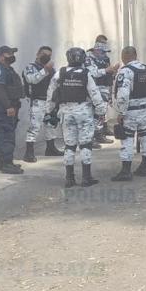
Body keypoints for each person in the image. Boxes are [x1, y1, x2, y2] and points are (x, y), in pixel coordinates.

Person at [46, 47, 105, 188]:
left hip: (66, 112)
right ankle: (86, 177)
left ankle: (69, 178)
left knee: (69, 146)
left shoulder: (60, 73)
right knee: (85, 144)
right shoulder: (86, 74)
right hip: (83, 111)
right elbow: (95, 94)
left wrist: (48, 111)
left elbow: (51, 94)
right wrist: (101, 111)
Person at [111, 46, 146, 181]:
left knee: (127, 139)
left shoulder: (125, 72)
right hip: (145, 110)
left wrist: (121, 112)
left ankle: (126, 171)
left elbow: (123, 95)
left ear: (123, 56)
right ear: (136, 55)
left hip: (130, 112)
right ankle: (145, 166)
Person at [0, 45, 24, 174]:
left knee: (3, 135)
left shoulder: (8, 70)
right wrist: (8, 106)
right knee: (7, 135)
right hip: (2, 107)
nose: (12, 56)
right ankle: (6, 164)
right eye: (9, 54)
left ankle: (3, 162)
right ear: (1, 56)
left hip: (8, 106)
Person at [21, 46, 61, 161]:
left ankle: (50, 148)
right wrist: (45, 70)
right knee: (34, 126)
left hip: (50, 102)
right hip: (37, 101)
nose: (46, 57)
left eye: (49, 55)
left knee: (51, 125)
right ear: (38, 54)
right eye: (44, 54)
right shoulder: (30, 67)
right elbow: (32, 80)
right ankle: (29, 153)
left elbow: (56, 83)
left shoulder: (51, 69)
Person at [85, 35, 119, 145]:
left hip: (105, 87)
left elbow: (107, 70)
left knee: (102, 111)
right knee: (95, 113)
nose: (105, 54)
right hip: (94, 88)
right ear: (97, 50)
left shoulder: (105, 58)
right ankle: (96, 134)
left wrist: (113, 71)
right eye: (103, 52)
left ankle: (100, 131)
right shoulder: (88, 58)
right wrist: (107, 70)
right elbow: (93, 73)